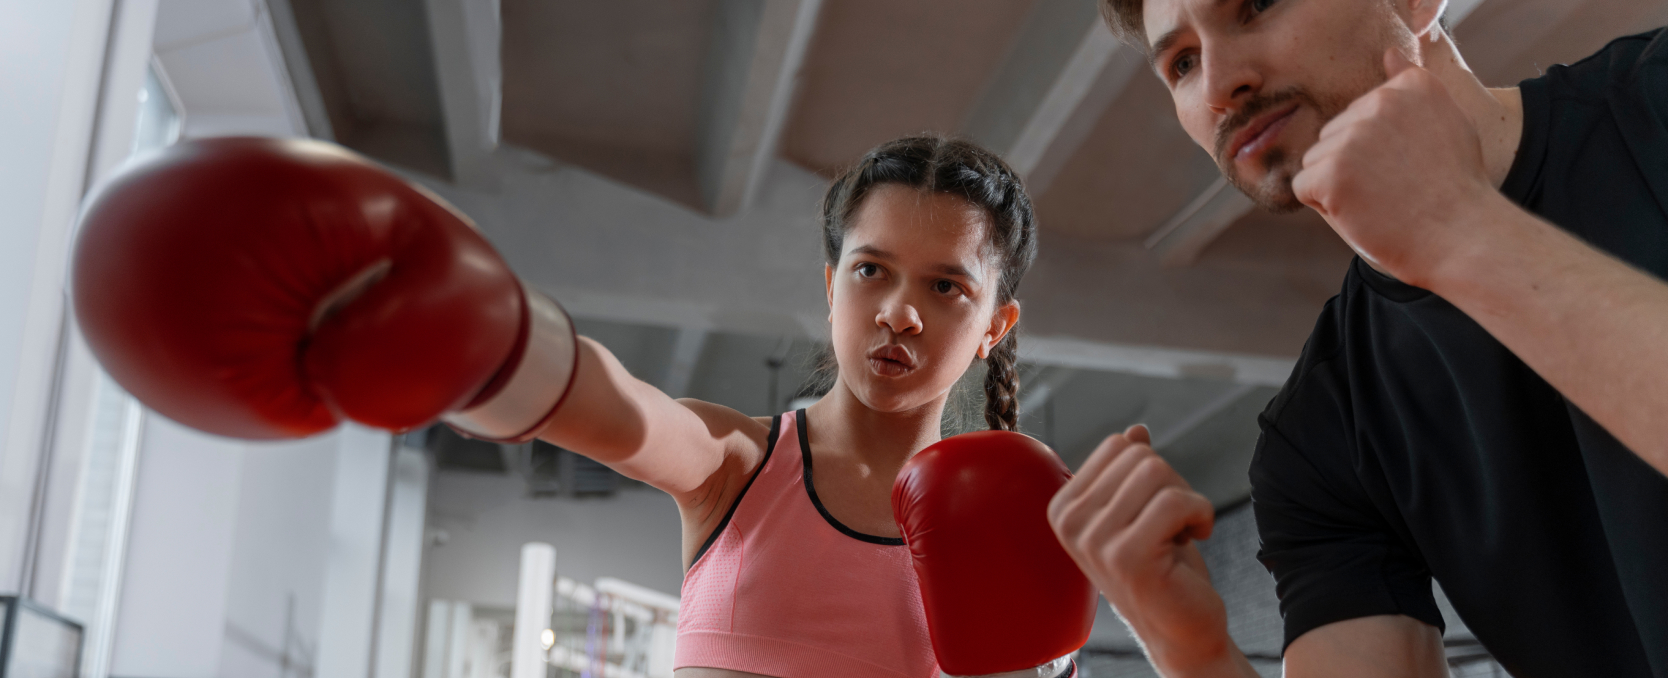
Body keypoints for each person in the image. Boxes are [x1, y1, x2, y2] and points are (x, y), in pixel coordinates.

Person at [70, 134, 1094, 677]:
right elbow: (621, 411)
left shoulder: (1030, 523)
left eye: (946, 287)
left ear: (997, 323)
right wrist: (484, 346)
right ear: (830, 286)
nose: (899, 312)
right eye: (872, 271)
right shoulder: (738, 464)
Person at [1045, 0, 1668, 674]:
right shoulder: (1315, 438)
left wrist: (1460, 230)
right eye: (1183, 62)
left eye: (1254, 6)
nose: (1221, 83)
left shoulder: (1656, 100)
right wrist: (1187, 648)